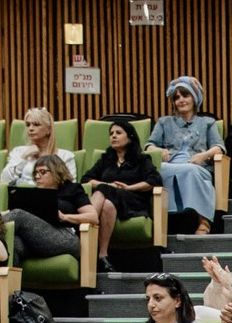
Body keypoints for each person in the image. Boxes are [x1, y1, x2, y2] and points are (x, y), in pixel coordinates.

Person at [83, 117, 163, 268]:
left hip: (133, 202)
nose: (113, 136)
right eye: (111, 133)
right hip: (111, 202)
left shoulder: (141, 159)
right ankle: (102, 255)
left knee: (103, 191)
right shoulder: (106, 159)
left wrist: (128, 188)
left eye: (118, 133)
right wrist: (108, 185)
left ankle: (86, 223)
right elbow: (87, 179)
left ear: (130, 137)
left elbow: (154, 181)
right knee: (106, 204)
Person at [148, 77, 224, 231]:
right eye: (176, 97)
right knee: (158, 171)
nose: (181, 100)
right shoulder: (164, 122)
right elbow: (148, 146)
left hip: (196, 164)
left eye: (185, 95)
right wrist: (158, 150)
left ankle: (203, 223)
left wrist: (203, 156)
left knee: (190, 170)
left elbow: (219, 148)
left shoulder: (208, 123)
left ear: (194, 99)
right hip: (170, 164)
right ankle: (160, 226)